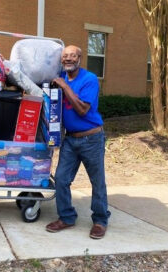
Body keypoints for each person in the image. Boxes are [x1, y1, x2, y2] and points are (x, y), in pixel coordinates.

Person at [46, 45, 111, 239]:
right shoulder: (60, 77)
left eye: (72, 56)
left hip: (92, 138)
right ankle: (66, 217)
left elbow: (82, 110)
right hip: (70, 140)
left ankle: (100, 220)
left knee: (97, 182)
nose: (68, 59)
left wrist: (65, 87)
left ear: (80, 58)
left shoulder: (88, 79)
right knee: (61, 179)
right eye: (65, 56)